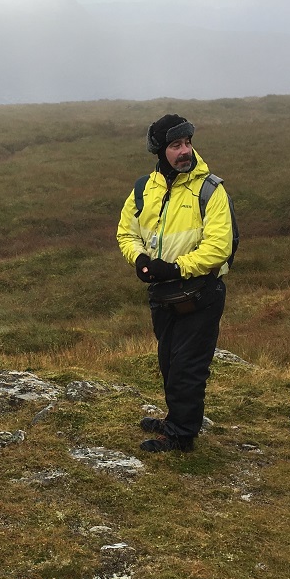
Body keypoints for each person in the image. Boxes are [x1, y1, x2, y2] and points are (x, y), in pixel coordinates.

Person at [117, 114, 236, 453]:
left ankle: (182, 435)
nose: (184, 151)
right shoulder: (143, 188)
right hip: (164, 296)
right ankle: (175, 418)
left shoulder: (211, 190)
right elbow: (126, 231)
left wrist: (175, 269)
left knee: (188, 365)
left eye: (187, 143)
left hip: (202, 293)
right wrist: (139, 260)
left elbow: (218, 248)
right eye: (175, 145)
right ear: (159, 151)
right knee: (169, 361)